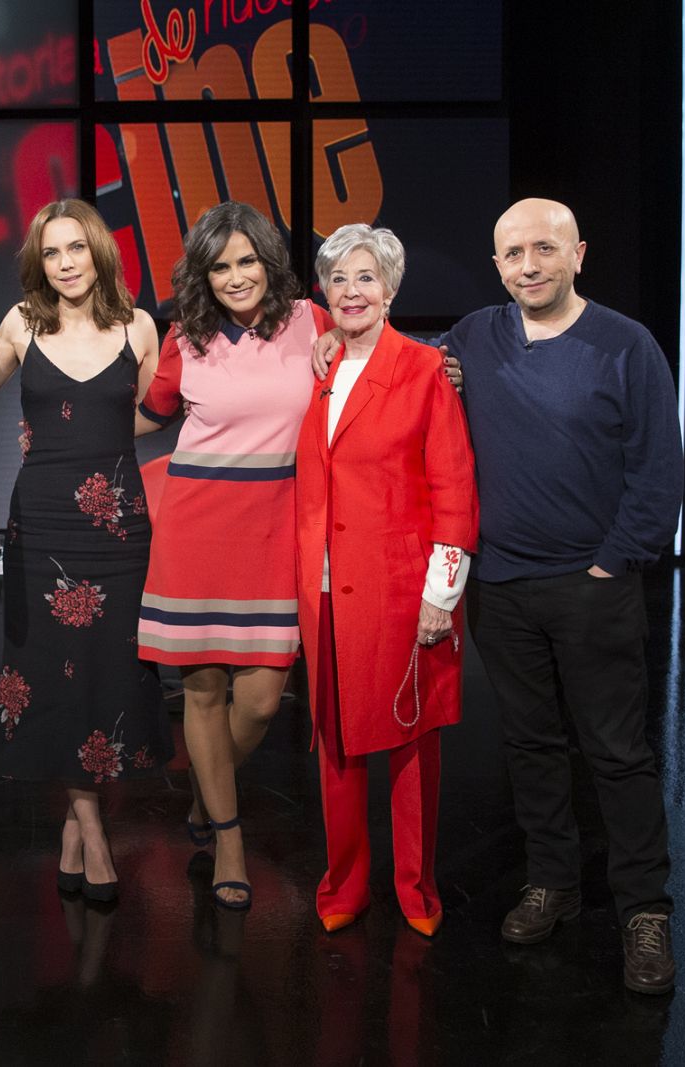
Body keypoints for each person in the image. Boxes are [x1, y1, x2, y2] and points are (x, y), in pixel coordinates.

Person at [446, 198, 684, 993]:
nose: (530, 265)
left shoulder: (626, 344)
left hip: (594, 584)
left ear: (579, 253)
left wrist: (614, 563)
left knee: (617, 753)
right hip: (503, 587)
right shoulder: (476, 335)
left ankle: (644, 908)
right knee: (531, 745)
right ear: (498, 266)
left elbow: (659, 470)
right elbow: (399, 363)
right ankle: (553, 881)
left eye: (545, 249)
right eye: (513, 254)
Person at [133, 201, 332, 909]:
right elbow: (143, 414)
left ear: (269, 261)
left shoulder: (313, 321)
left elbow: (376, 366)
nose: (237, 276)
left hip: (277, 530)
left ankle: (202, 788)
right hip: (195, 530)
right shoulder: (184, 336)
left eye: (247, 260)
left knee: (260, 698)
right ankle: (227, 835)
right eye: (221, 265)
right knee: (203, 690)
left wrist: (447, 370)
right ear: (204, 275)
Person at [0, 199, 170, 902]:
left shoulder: (140, 326)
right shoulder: (21, 323)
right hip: (43, 526)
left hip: (119, 528)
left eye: (76, 249)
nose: (65, 263)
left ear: (100, 253)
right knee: (51, 673)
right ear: (40, 261)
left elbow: (151, 415)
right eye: (52, 252)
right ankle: (93, 836)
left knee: (106, 672)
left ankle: (74, 825)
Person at [294, 223, 477, 938]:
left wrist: (442, 593)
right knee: (335, 744)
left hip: (405, 588)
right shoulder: (322, 367)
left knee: (410, 742)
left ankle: (416, 886)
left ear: (392, 288)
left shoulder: (427, 370)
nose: (351, 291)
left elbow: (455, 488)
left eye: (366, 277)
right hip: (328, 589)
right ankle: (344, 882)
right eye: (338, 279)